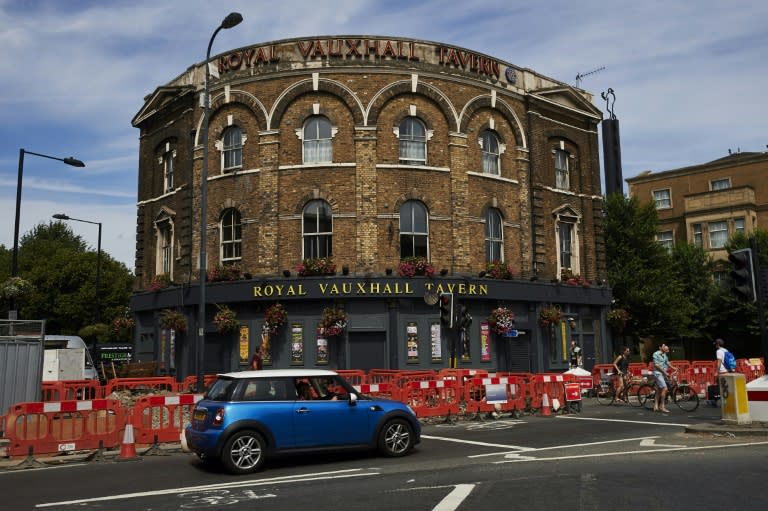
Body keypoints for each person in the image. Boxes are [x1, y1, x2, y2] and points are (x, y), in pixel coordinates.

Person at [652, 343, 675, 413]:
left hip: (663, 373)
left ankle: (655, 405)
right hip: (658, 373)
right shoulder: (655, 354)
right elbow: (657, 365)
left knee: (659, 390)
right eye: (664, 346)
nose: (665, 347)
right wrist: (665, 372)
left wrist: (674, 368)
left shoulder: (664, 354)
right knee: (665, 388)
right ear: (660, 348)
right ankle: (662, 406)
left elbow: (667, 363)